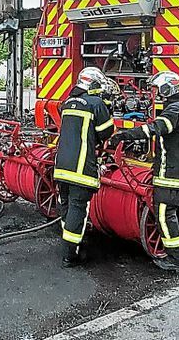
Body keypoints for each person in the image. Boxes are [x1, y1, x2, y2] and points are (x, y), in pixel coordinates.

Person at [110, 70, 179, 273]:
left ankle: (177, 260)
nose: (157, 94)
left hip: (171, 175)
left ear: (168, 88)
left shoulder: (175, 110)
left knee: (165, 215)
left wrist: (124, 135)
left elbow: (155, 128)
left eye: (159, 89)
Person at [52, 66, 114, 267]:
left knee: (67, 205)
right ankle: (70, 255)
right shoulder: (95, 103)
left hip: (61, 167)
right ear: (93, 84)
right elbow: (106, 132)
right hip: (81, 170)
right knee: (78, 209)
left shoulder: (68, 102)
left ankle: (70, 243)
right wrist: (106, 106)